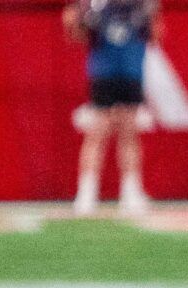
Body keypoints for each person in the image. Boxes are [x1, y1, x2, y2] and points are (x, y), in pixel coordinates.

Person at [63, 0, 160, 216]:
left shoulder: (142, 5)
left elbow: (155, 34)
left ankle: (131, 191)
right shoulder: (95, 5)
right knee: (98, 131)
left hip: (131, 70)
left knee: (129, 131)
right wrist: (78, 20)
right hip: (104, 72)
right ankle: (87, 193)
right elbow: (76, 33)